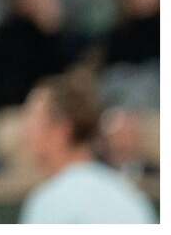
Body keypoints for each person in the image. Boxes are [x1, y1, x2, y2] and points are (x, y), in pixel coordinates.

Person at [18, 70, 155, 223]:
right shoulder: (131, 197)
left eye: (32, 118)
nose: (24, 131)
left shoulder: (49, 202)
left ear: (62, 130)